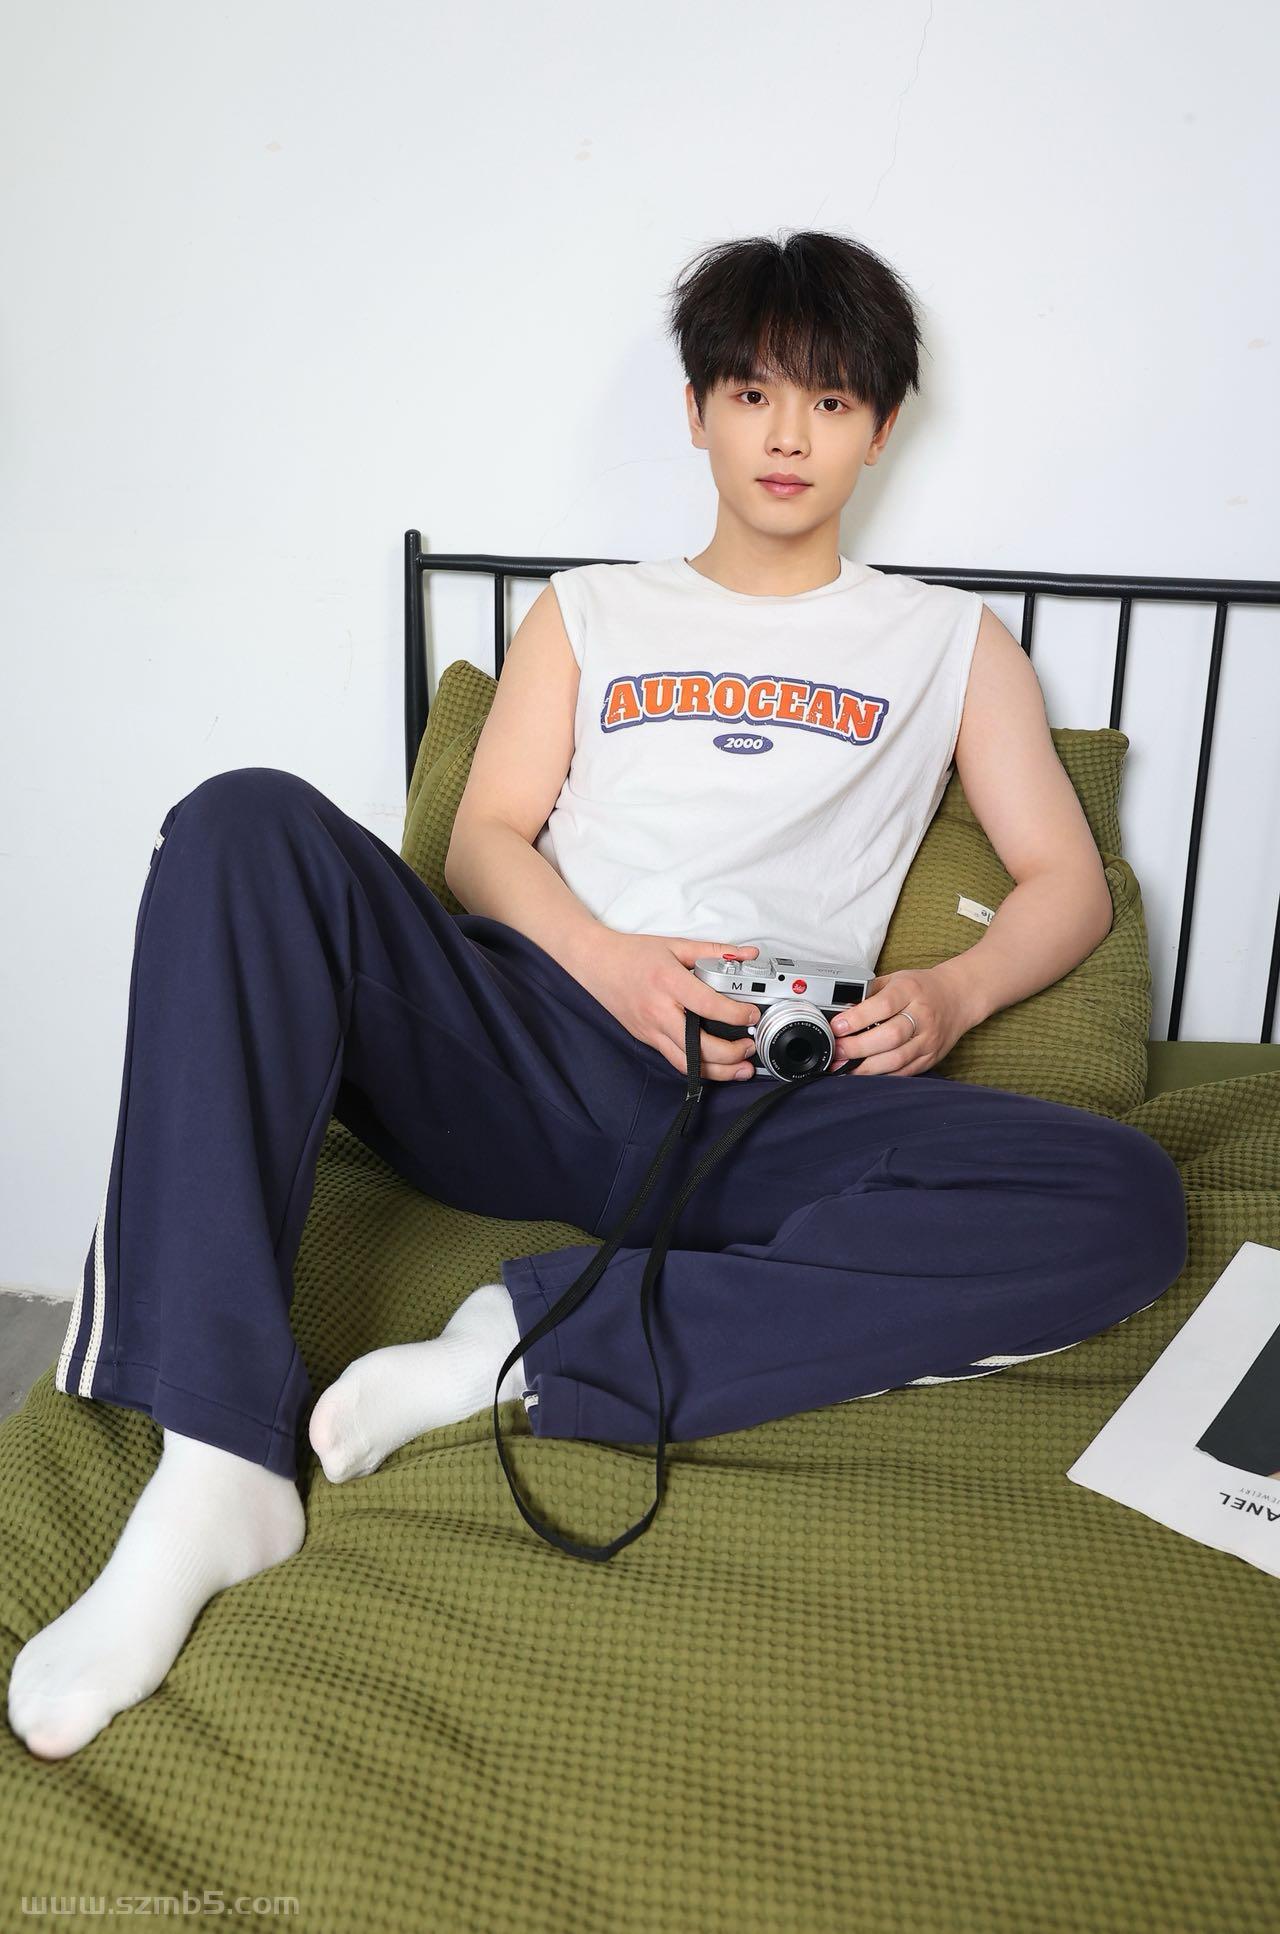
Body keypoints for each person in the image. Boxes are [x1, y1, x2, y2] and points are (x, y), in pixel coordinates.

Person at [7, 228, 1189, 1760]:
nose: (787, 433)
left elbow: (1068, 882)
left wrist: (954, 994)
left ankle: (525, 1339)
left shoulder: (949, 642)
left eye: (830, 401)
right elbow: (485, 842)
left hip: (775, 1095)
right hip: (539, 1040)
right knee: (239, 822)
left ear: (882, 428)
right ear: (696, 409)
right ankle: (219, 1457)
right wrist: (612, 964)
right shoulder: (586, 612)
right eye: (752, 393)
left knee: (1123, 1193)